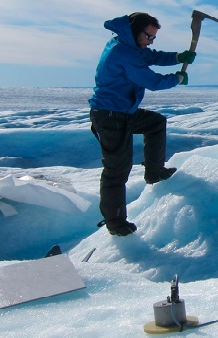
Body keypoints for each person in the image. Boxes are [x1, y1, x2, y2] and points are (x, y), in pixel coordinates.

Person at [88, 12, 196, 236]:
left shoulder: (129, 44)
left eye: (153, 38)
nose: (150, 42)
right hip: (111, 116)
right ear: (136, 31)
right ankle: (115, 223)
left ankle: (154, 172)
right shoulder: (123, 53)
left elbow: (150, 56)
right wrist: (176, 79)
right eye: (149, 36)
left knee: (155, 123)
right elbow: (152, 80)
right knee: (116, 171)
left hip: (124, 112)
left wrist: (177, 56)